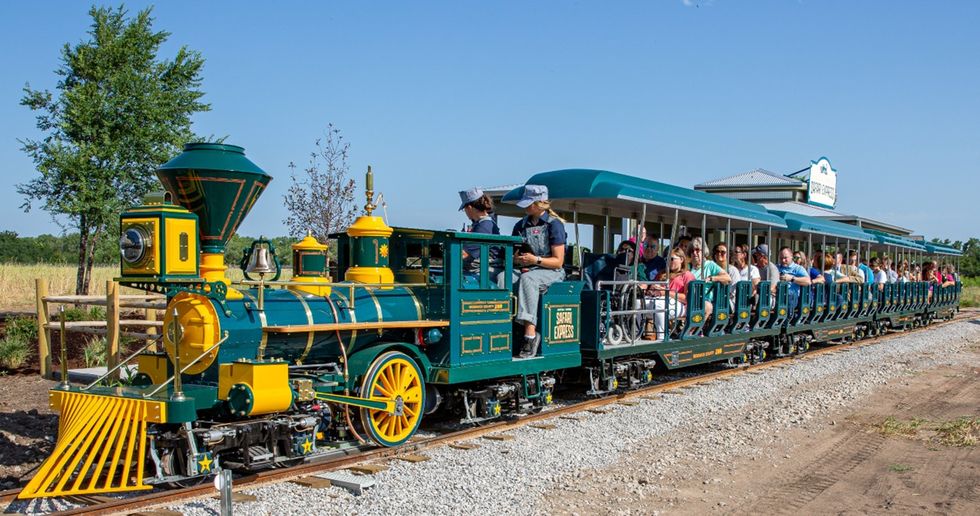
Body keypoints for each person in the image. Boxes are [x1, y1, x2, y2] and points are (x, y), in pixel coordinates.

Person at [503, 184, 567, 358]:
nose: (525, 207)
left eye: (528, 203)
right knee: (503, 277)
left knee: (528, 279)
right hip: (526, 268)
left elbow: (558, 261)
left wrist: (535, 260)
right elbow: (512, 254)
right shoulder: (520, 226)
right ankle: (504, 328)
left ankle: (530, 335)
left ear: (539, 203)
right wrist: (517, 259)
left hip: (551, 271)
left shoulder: (555, 225)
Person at [645, 248, 694, 339]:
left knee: (658, 305)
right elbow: (653, 288)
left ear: (681, 260)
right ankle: (638, 333)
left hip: (679, 305)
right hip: (660, 300)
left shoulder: (687, 275)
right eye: (667, 259)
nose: (668, 261)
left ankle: (661, 336)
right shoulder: (662, 273)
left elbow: (687, 298)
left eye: (672, 259)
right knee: (638, 302)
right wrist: (652, 290)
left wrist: (666, 293)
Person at [458, 188, 500, 274]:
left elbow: (464, 254)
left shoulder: (484, 226)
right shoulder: (482, 224)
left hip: (486, 268)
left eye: (464, 209)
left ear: (469, 208)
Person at [688, 237, 729, 318]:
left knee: (707, 307)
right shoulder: (687, 266)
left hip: (703, 298)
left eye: (697, 250)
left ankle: (695, 329)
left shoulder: (710, 265)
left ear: (703, 251)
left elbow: (727, 278)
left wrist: (711, 278)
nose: (694, 253)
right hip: (687, 297)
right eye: (692, 251)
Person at [777, 247, 811, 318]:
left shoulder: (798, 268)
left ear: (791, 257)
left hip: (792, 297)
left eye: (785, 258)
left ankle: (788, 318)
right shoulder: (776, 267)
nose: (783, 260)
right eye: (781, 258)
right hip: (777, 294)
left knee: (789, 293)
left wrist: (792, 278)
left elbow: (808, 281)